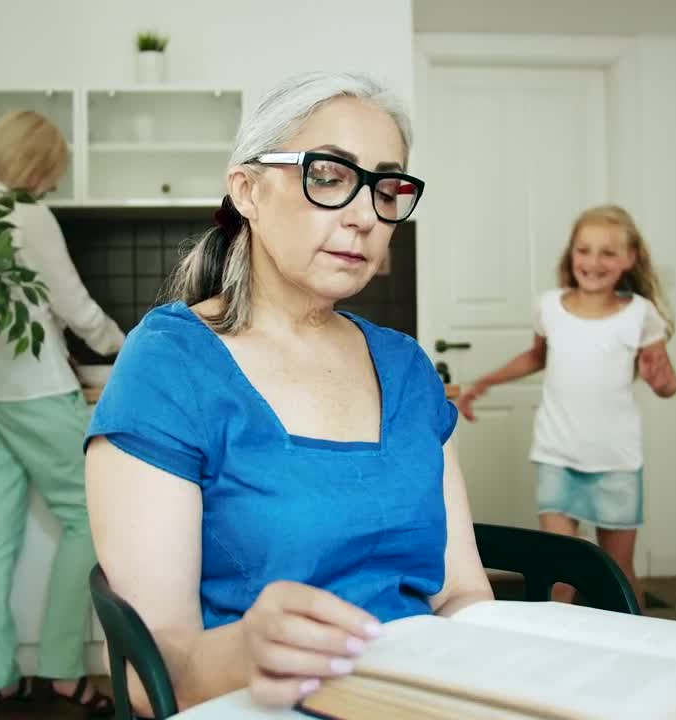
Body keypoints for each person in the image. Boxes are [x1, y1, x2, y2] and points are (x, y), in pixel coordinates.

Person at [83, 71, 494, 715]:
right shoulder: (170, 363)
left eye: (387, 188)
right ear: (247, 189)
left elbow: (462, 594)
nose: (365, 215)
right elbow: (149, 674)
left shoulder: (407, 367)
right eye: (329, 176)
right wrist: (248, 649)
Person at [0, 110, 122, 717]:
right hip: (36, 392)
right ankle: (62, 672)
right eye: (52, 168)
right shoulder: (28, 215)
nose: (53, 181)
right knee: (92, 518)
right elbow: (74, 305)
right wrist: (126, 349)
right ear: (39, 163)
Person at [455, 205, 676, 607]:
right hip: (557, 454)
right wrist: (482, 382)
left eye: (608, 253)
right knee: (560, 574)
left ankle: (636, 649)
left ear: (630, 259)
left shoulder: (641, 315)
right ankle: (557, 658)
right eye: (584, 250)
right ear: (571, 254)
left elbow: (666, 383)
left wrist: (663, 381)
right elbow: (537, 356)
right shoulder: (550, 306)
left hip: (616, 461)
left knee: (618, 573)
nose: (593, 262)